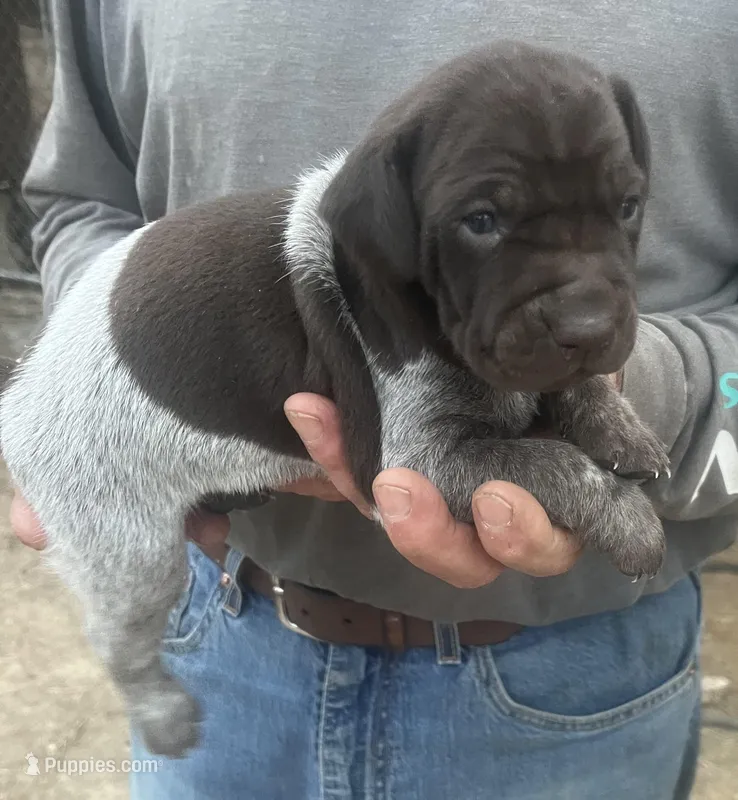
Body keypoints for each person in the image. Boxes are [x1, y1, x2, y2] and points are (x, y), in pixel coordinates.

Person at [9, 1, 738, 797]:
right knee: (130, 601)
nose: (590, 307)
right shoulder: (369, 265)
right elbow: (82, 199)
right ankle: (144, 683)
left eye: (623, 208)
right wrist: (91, 414)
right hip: (217, 619)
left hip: (581, 673)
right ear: (385, 234)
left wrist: (651, 390)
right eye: (484, 220)